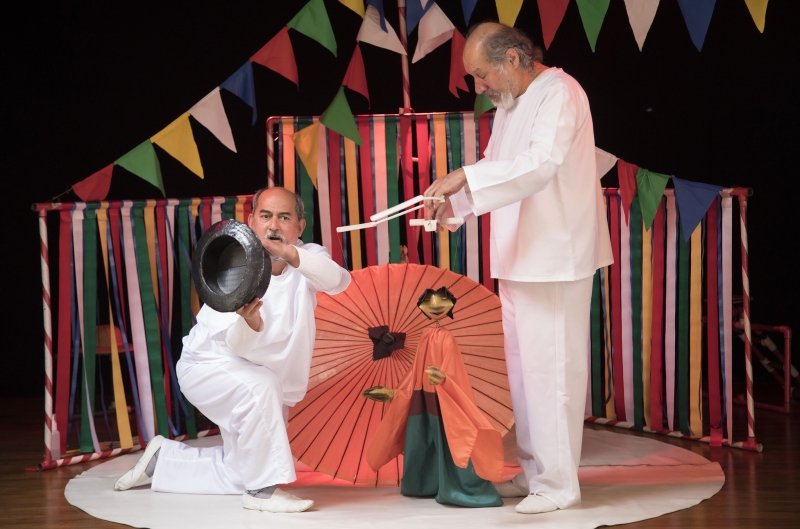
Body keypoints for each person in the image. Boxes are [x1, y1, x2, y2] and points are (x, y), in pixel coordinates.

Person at [424, 22, 613, 515]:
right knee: (526, 376)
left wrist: (463, 176)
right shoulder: (510, 105)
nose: (478, 87)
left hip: (554, 258)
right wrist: (456, 208)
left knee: (552, 375)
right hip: (519, 258)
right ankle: (535, 473)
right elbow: (496, 163)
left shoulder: (561, 92)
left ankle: (557, 484)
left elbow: (540, 165)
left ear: (512, 59)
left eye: (481, 74)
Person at [114, 187, 351, 513]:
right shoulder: (234, 264)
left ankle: (163, 460)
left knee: (241, 471)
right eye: (266, 216)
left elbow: (338, 281)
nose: (274, 226)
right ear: (251, 221)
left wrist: (291, 256)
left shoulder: (308, 256)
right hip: (209, 365)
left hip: (258, 376)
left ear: (300, 227)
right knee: (261, 390)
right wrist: (250, 323)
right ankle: (263, 493)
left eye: (284, 217)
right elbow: (236, 346)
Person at [362, 287, 504, 508]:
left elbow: (454, 370)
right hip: (424, 395)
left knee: (451, 440)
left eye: (442, 300)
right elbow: (414, 373)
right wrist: (394, 393)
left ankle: (459, 486)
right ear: (421, 306)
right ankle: (424, 483)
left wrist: (445, 379)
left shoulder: (447, 338)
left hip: (444, 398)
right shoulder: (426, 336)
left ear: (451, 304)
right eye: (428, 301)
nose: (435, 305)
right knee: (423, 437)